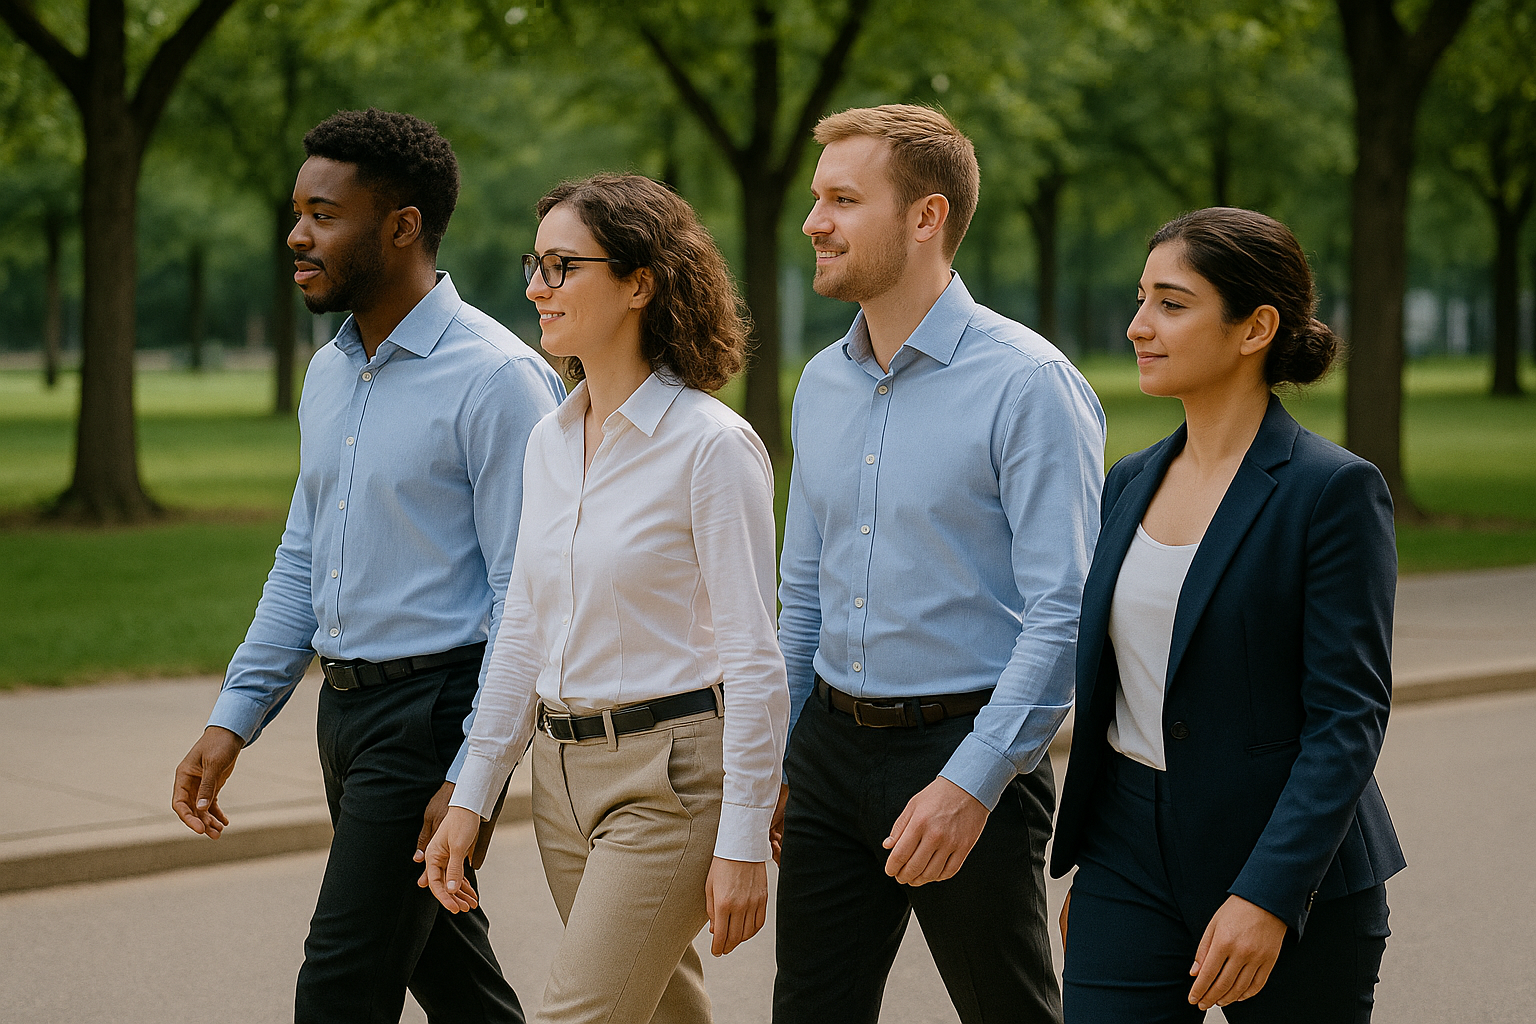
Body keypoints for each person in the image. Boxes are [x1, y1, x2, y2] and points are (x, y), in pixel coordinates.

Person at [171, 108, 565, 1024]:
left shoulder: (498, 380)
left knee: (341, 984)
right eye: (298, 211)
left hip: (435, 717)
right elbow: (302, 557)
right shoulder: (332, 371)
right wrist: (235, 717)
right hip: (343, 714)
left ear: (402, 226)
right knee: (450, 974)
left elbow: (527, 599)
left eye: (323, 214)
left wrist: (472, 774)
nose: (296, 236)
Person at [421, 173, 789, 1024]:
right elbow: (520, 634)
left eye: (561, 265)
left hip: (671, 779)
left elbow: (752, 655)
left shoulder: (711, 447)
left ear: (638, 282)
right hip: (559, 777)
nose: (535, 287)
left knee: (575, 1015)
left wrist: (740, 842)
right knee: (663, 1014)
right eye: (534, 264)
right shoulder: (549, 441)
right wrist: (472, 795)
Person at [772, 104, 1105, 1024]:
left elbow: (1064, 610)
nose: (813, 222)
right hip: (829, 753)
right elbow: (802, 594)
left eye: (842, 198)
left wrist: (973, 782)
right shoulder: (820, 383)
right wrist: (784, 754)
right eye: (814, 198)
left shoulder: (1029, 384)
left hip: (968, 747)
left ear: (926, 217)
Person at [1051, 207, 1406, 1022]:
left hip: (1291, 863)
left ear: (1256, 328)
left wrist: (1269, 896)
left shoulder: (1331, 492)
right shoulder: (1129, 481)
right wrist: (1104, 875)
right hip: (1129, 858)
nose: (1140, 325)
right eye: (1142, 299)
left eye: (1172, 305)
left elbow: (1347, 717)